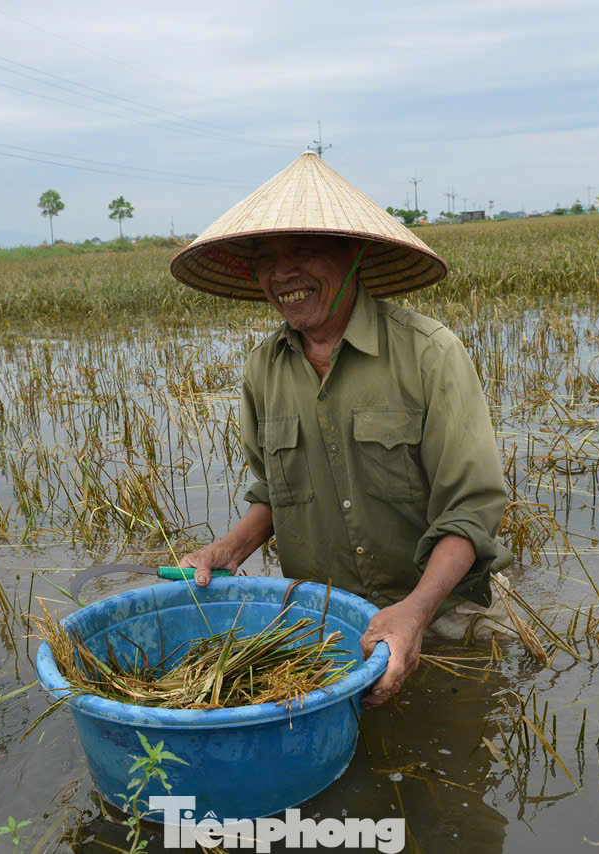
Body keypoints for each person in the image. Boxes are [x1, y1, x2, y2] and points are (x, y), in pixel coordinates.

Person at [172, 153, 516, 707]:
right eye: (266, 259)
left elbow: (470, 514)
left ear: (354, 255)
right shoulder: (263, 370)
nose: (283, 273)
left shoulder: (429, 355)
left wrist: (413, 613)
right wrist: (226, 551)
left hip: (443, 614)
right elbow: (273, 496)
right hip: (323, 625)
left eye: (304, 251)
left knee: (456, 743)